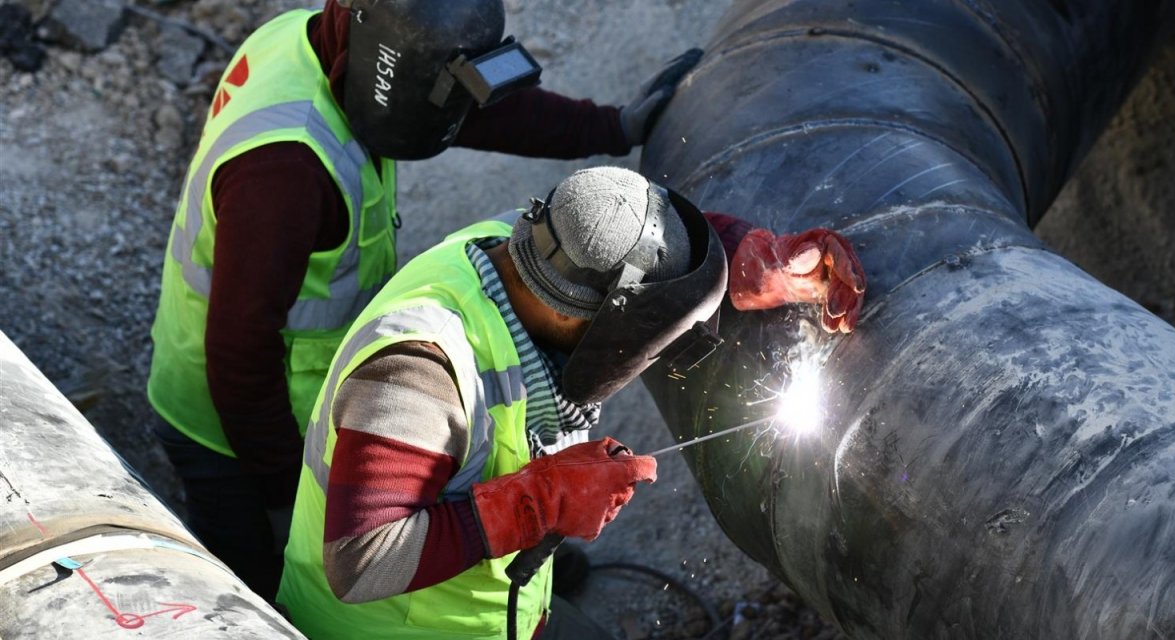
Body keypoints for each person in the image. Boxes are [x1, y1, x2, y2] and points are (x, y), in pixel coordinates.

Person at [145, 0, 702, 599]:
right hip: (232, 430)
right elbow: (237, 356)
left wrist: (607, 128)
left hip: (295, 389)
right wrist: (286, 497)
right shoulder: (286, 174)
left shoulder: (306, 37)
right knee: (261, 596)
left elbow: (448, 107)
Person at [276, 166, 865, 638]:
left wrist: (754, 259)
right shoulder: (418, 371)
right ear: (572, 311)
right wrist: (539, 502)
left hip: (499, 608)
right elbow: (362, 559)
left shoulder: (541, 247)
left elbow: (628, 231)